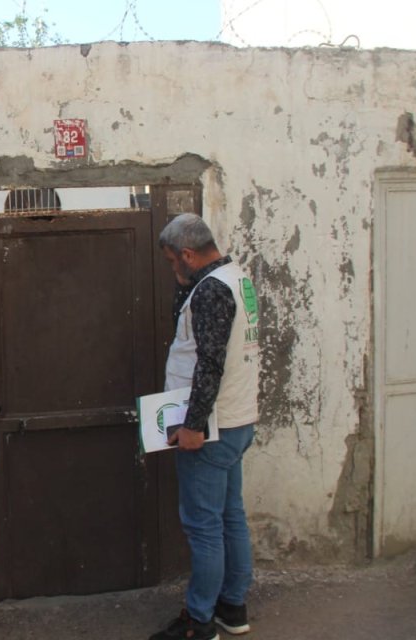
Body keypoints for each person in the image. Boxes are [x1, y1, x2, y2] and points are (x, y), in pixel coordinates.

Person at [151, 214, 260, 640]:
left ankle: (200, 622)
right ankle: (233, 608)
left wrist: (193, 425)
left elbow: (209, 363)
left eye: (173, 261)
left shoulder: (211, 290)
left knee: (204, 527)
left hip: (212, 428)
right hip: (237, 419)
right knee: (231, 517)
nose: (172, 269)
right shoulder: (234, 279)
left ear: (188, 254)